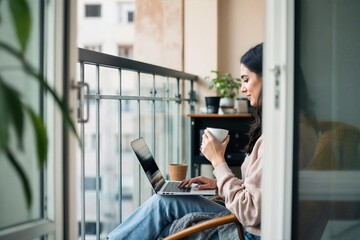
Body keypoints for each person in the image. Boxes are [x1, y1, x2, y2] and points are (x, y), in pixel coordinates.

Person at [107, 43, 263, 240]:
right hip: (245, 223)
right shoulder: (282, 132)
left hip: (246, 233)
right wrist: (217, 184)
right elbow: (259, 193)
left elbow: (249, 211)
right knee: (164, 206)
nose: (242, 88)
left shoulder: (274, 141)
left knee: (163, 207)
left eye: (246, 80)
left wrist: (218, 161)